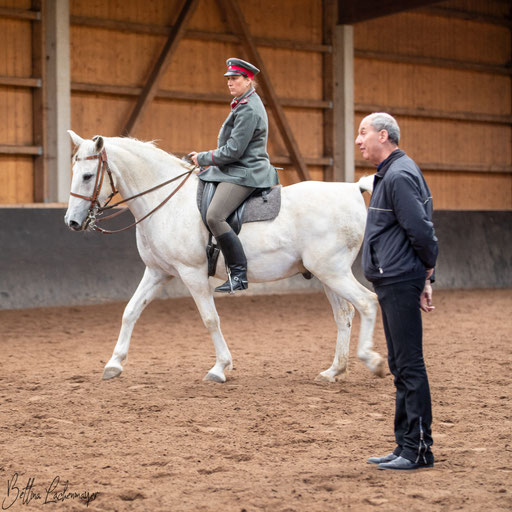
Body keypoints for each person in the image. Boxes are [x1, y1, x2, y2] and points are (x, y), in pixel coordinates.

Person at [355, 113, 438, 471]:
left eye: (363, 133)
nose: (359, 140)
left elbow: (421, 230)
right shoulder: (391, 173)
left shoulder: (400, 175)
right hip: (394, 276)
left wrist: (427, 272)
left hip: (400, 276)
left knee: (409, 364)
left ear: (383, 135)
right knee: (401, 366)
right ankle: (405, 445)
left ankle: (418, 450)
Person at [189, 58, 278, 293]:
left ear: (248, 80)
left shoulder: (249, 108)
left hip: (247, 172)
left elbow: (234, 150)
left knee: (215, 215)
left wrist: (205, 158)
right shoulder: (242, 102)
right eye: (228, 79)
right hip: (236, 167)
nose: (230, 83)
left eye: (235, 79)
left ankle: (238, 273)